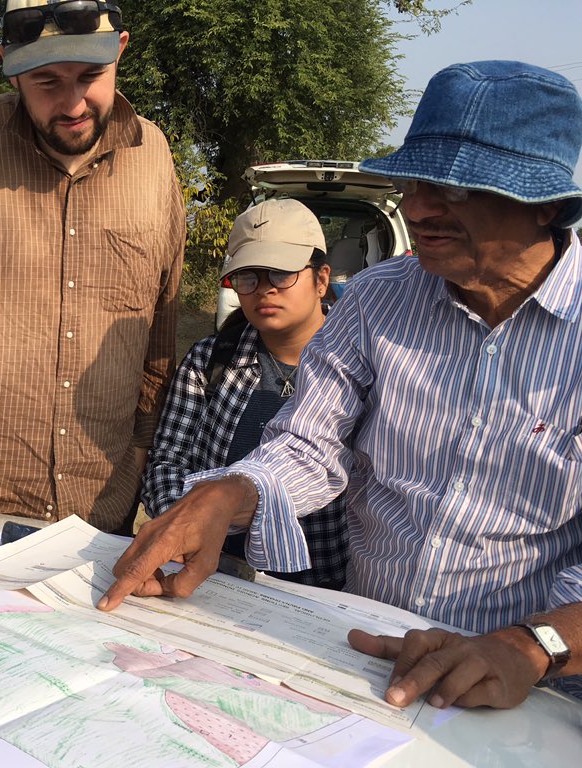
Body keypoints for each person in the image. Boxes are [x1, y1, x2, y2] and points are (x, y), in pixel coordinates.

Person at [100, 60, 582, 709]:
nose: (418, 208)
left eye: (456, 190)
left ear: (545, 204)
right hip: (360, 649)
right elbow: (310, 443)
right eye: (414, 182)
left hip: (529, 681)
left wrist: (532, 646)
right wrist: (233, 491)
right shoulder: (380, 299)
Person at [0, 0, 185, 532]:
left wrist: (140, 449)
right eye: (47, 82)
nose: (73, 103)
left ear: (120, 50)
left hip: (104, 509)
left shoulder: (152, 154)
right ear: (10, 67)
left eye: (90, 76)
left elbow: (158, 328)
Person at [141, 199, 347, 589]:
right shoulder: (210, 360)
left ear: (321, 279)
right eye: (248, 277)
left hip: (318, 584)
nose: (264, 289)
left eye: (281, 273)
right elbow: (167, 461)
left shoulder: (358, 365)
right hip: (210, 573)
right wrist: (189, 525)